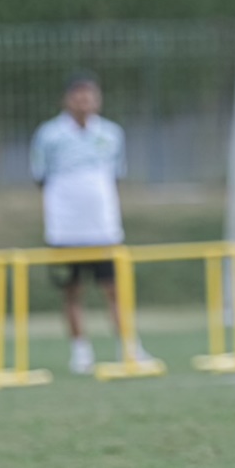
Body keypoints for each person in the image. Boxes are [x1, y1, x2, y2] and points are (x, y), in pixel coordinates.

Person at [30, 72, 150, 374]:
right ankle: (80, 352)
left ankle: (129, 346)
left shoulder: (111, 133)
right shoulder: (49, 135)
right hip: (66, 228)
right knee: (72, 291)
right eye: (78, 95)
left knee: (115, 289)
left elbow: (116, 175)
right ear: (67, 99)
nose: (84, 101)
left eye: (90, 95)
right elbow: (40, 176)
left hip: (104, 226)